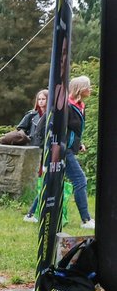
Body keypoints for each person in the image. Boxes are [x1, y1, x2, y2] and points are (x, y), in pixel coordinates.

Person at [64, 76, 95, 229]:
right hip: (63, 149)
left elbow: (74, 130)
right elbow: (57, 128)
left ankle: (31, 215)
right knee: (80, 180)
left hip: (70, 148)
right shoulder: (66, 106)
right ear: (80, 89)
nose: (90, 89)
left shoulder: (80, 106)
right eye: (88, 86)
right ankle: (86, 220)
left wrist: (79, 143)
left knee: (53, 180)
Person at [19, 89, 49, 222]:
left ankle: (36, 208)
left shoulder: (51, 115)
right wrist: (24, 136)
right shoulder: (31, 115)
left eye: (44, 99)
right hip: (33, 147)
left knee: (44, 177)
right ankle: (32, 210)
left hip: (46, 149)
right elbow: (20, 128)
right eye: (39, 99)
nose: (41, 101)